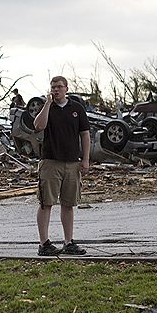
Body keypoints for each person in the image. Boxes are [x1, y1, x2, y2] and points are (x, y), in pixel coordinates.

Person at [33, 76, 90, 256]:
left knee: (68, 204)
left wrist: (86, 159)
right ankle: (44, 244)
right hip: (50, 161)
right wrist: (47, 104)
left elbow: (85, 135)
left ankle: (68, 242)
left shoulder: (77, 108)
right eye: (53, 87)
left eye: (59, 87)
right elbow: (38, 126)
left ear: (66, 88)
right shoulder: (47, 108)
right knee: (46, 202)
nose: (56, 90)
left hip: (72, 162)